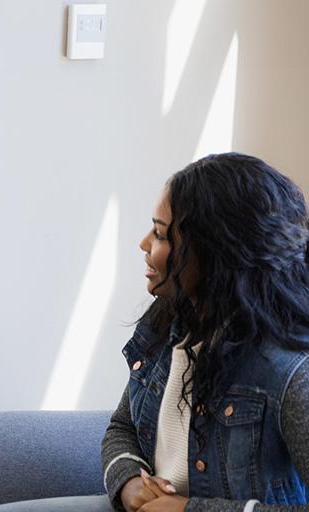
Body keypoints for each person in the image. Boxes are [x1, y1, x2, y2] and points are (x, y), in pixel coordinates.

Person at [101, 153, 309, 512]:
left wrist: (189, 510)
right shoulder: (163, 328)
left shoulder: (290, 372)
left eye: (162, 234)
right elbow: (122, 427)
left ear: (216, 254)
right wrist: (128, 481)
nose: (144, 244)